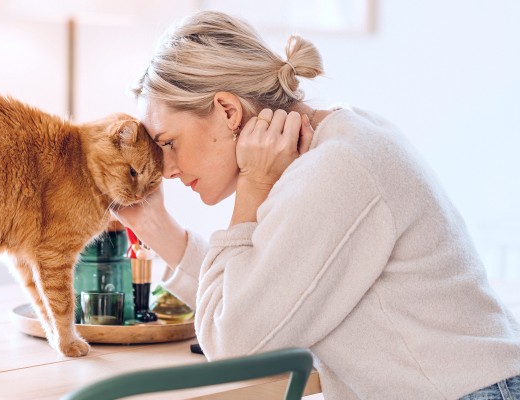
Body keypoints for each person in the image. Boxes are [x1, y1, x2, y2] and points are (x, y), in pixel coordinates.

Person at [115, 10, 520, 399]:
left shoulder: (335, 168)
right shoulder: (334, 142)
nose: (165, 168)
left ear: (227, 110)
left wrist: (253, 188)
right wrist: (156, 226)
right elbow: (259, 296)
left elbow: (232, 343)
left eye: (169, 143)